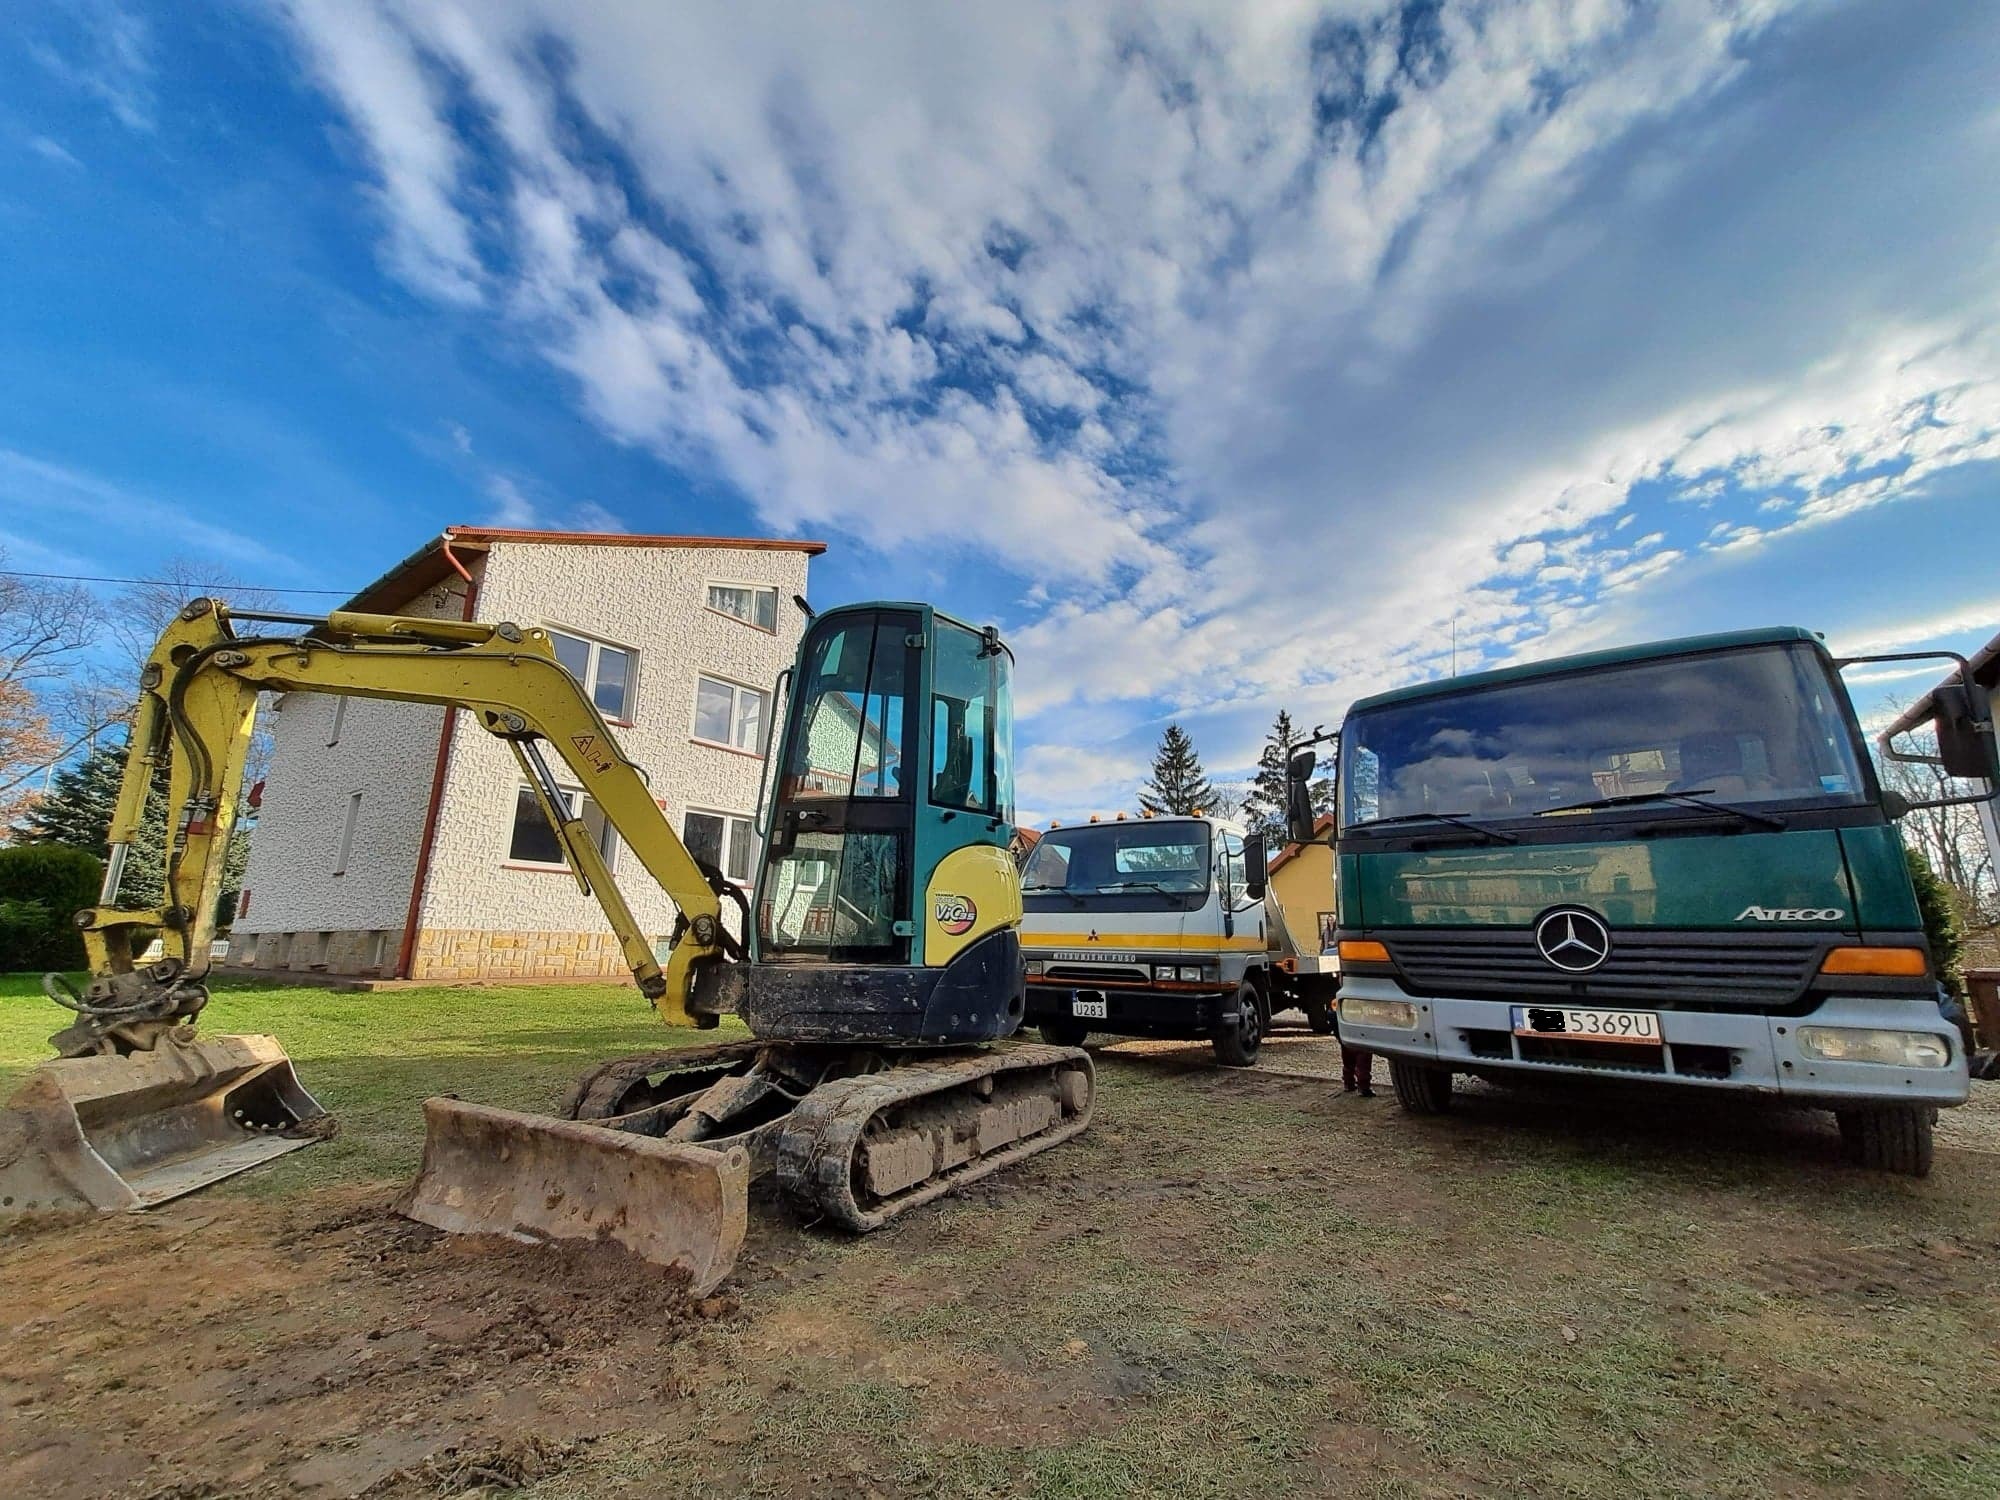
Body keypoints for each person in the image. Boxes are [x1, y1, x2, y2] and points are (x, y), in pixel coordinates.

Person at [1337, 1006, 1374, 1097]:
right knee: (1363, 1061)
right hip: (1362, 1032)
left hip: (1347, 1031)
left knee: (1348, 1060)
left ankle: (1348, 1083)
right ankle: (1363, 1087)